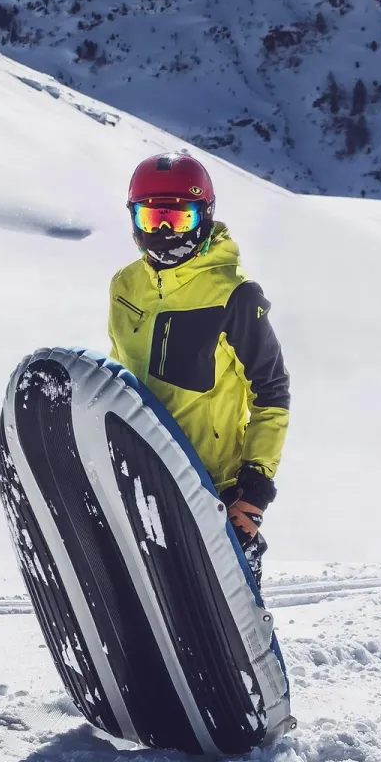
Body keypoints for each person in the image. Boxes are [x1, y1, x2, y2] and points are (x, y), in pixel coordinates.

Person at [108, 154, 289, 585]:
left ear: (204, 217)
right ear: (134, 218)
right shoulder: (125, 285)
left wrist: (255, 492)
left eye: (179, 218)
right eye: (154, 218)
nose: (166, 232)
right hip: (142, 477)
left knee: (222, 618)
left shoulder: (235, 295)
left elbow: (271, 392)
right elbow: (117, 377)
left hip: (214, 490)